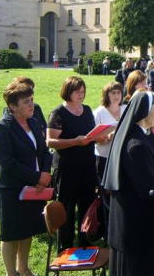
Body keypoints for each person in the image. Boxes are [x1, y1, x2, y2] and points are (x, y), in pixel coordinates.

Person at [102, 91, 154, 276]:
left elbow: (144, 181)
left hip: (135, 223)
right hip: (139, 229)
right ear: (144, 112)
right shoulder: (136, 145)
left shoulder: (138, 136)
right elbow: (148, 191)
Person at [0, 81, 52, 276]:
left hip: (34, 186)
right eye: (26, 101)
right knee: (11, 234)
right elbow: (8, 163)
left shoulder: (34, 122)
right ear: (12, 106)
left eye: (32, 100)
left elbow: (44, 152)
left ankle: (24, 269)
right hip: (11, 188)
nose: (31, 104)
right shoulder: (2, 128)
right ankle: (12, 273)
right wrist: (38, 177)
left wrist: (44, 174)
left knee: (27, 229)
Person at [47, 76, 104, 251]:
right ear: (67, 92)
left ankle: (84, 240)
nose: (81, 94)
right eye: (77, 91)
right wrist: (74, 141)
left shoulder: (87, 110)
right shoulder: (58, 114)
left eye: (83, 91)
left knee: (87, 203)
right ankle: (65, 244)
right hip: (67, 166)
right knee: (67, 205)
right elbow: (50, 142)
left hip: (87, 165)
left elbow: (90, 134)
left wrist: (98, 137)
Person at [93, 82, 126, 181]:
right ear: (106, 95)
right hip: (105, 157)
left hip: (123, 156)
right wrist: (108, 137)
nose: (116, 95)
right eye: (113, 93)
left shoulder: (126, 109)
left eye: (118, 92)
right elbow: (94, 138)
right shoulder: (98, 113)